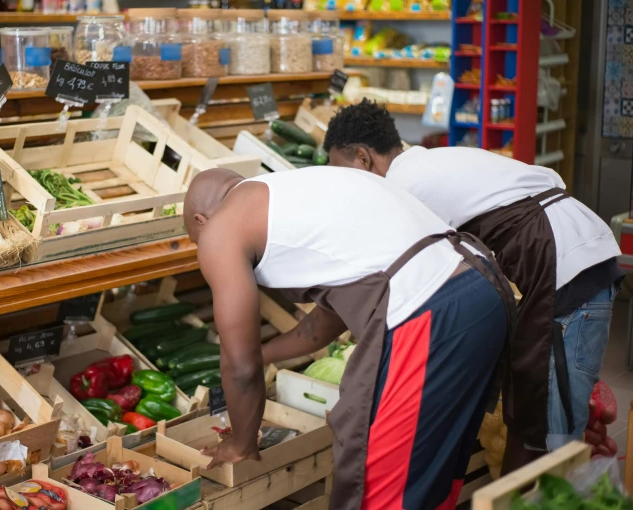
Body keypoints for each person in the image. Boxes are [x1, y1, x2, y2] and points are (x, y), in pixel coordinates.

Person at [184, 166, 515, 509]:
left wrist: (240, 443)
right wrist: (261, 353)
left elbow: (239, 368)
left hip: (430, 312)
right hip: (481, 289)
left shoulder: (220, 229)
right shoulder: (293, 195)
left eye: (197, 242)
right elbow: (316, 330)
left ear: (201, 220)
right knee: (432, 475)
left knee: (377, 488)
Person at [324, 99, 624, 473]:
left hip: (563, 266)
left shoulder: (403, 187)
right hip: (560, 258)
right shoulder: (423, 162)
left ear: (363, 158)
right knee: (530, 415)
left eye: (342, 171)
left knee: (548, 435)